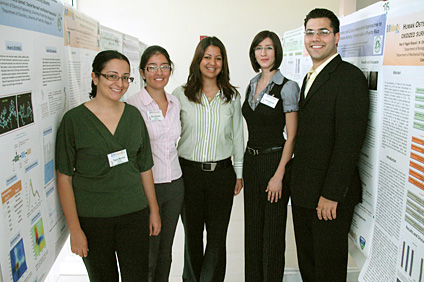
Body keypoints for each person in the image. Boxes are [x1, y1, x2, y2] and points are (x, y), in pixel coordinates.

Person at [55, 50, 161, 282]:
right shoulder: (74, 121)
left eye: (125, 77)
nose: (119, 83)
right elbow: (64, 177)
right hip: (93, 220)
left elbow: (145, 167)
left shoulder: (133, 116)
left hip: (134, 214)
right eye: (112, 76)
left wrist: (153, 210)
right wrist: (75, 230)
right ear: (95, 77)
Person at [288, 8, 369, 282]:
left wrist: (331, 194)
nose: (315, 38)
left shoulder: (349, 78)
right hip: (304, 193)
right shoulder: (310, 76)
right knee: (308, 267)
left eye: (323, 31)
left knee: (328, 271)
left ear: (336, 36)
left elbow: (349, 141)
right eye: (310, 32)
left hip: (329, 198)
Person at [172, 36, 244, 282]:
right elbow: (169, 135)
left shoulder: (232, 96)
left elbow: (237, 136)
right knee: (192, 235)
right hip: (188, 174)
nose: (212, 63)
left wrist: (239, 172)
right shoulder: (180, 94)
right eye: (207, 57)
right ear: (198, 60)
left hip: (222, 175)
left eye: (218, 58)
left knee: (216, 237)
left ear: (223, 63)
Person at [242, 30, 299, 282]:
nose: (263, 53)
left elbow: (292, 135)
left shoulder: (287, 87)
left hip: (275, 162)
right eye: (258, 48)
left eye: (268, 48)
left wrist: (279, 174)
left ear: (277, 52)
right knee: (252, 231)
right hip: (251, 162)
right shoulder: (252, 84)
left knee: (273, 235)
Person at [127, 45, 184, 282]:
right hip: (147, 186)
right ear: (142, 72)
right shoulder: (132, 105)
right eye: (152, 67)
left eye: (164, 66)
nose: (159, 72)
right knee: (148, 250)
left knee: (166, 250)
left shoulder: (174, 102)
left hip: (175, 185)